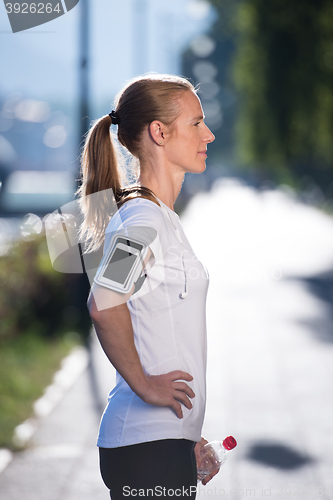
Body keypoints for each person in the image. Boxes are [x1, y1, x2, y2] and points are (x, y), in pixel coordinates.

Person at [78, 74, 216, 499]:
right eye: (196, 123)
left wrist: (188, 434)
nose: (208, 134)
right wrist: (144, 384)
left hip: (161, 443)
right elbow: (104, 302)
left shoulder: (158, 217)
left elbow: (163, 333)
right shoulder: (144, 220)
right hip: (144, 447)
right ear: (159, 132)